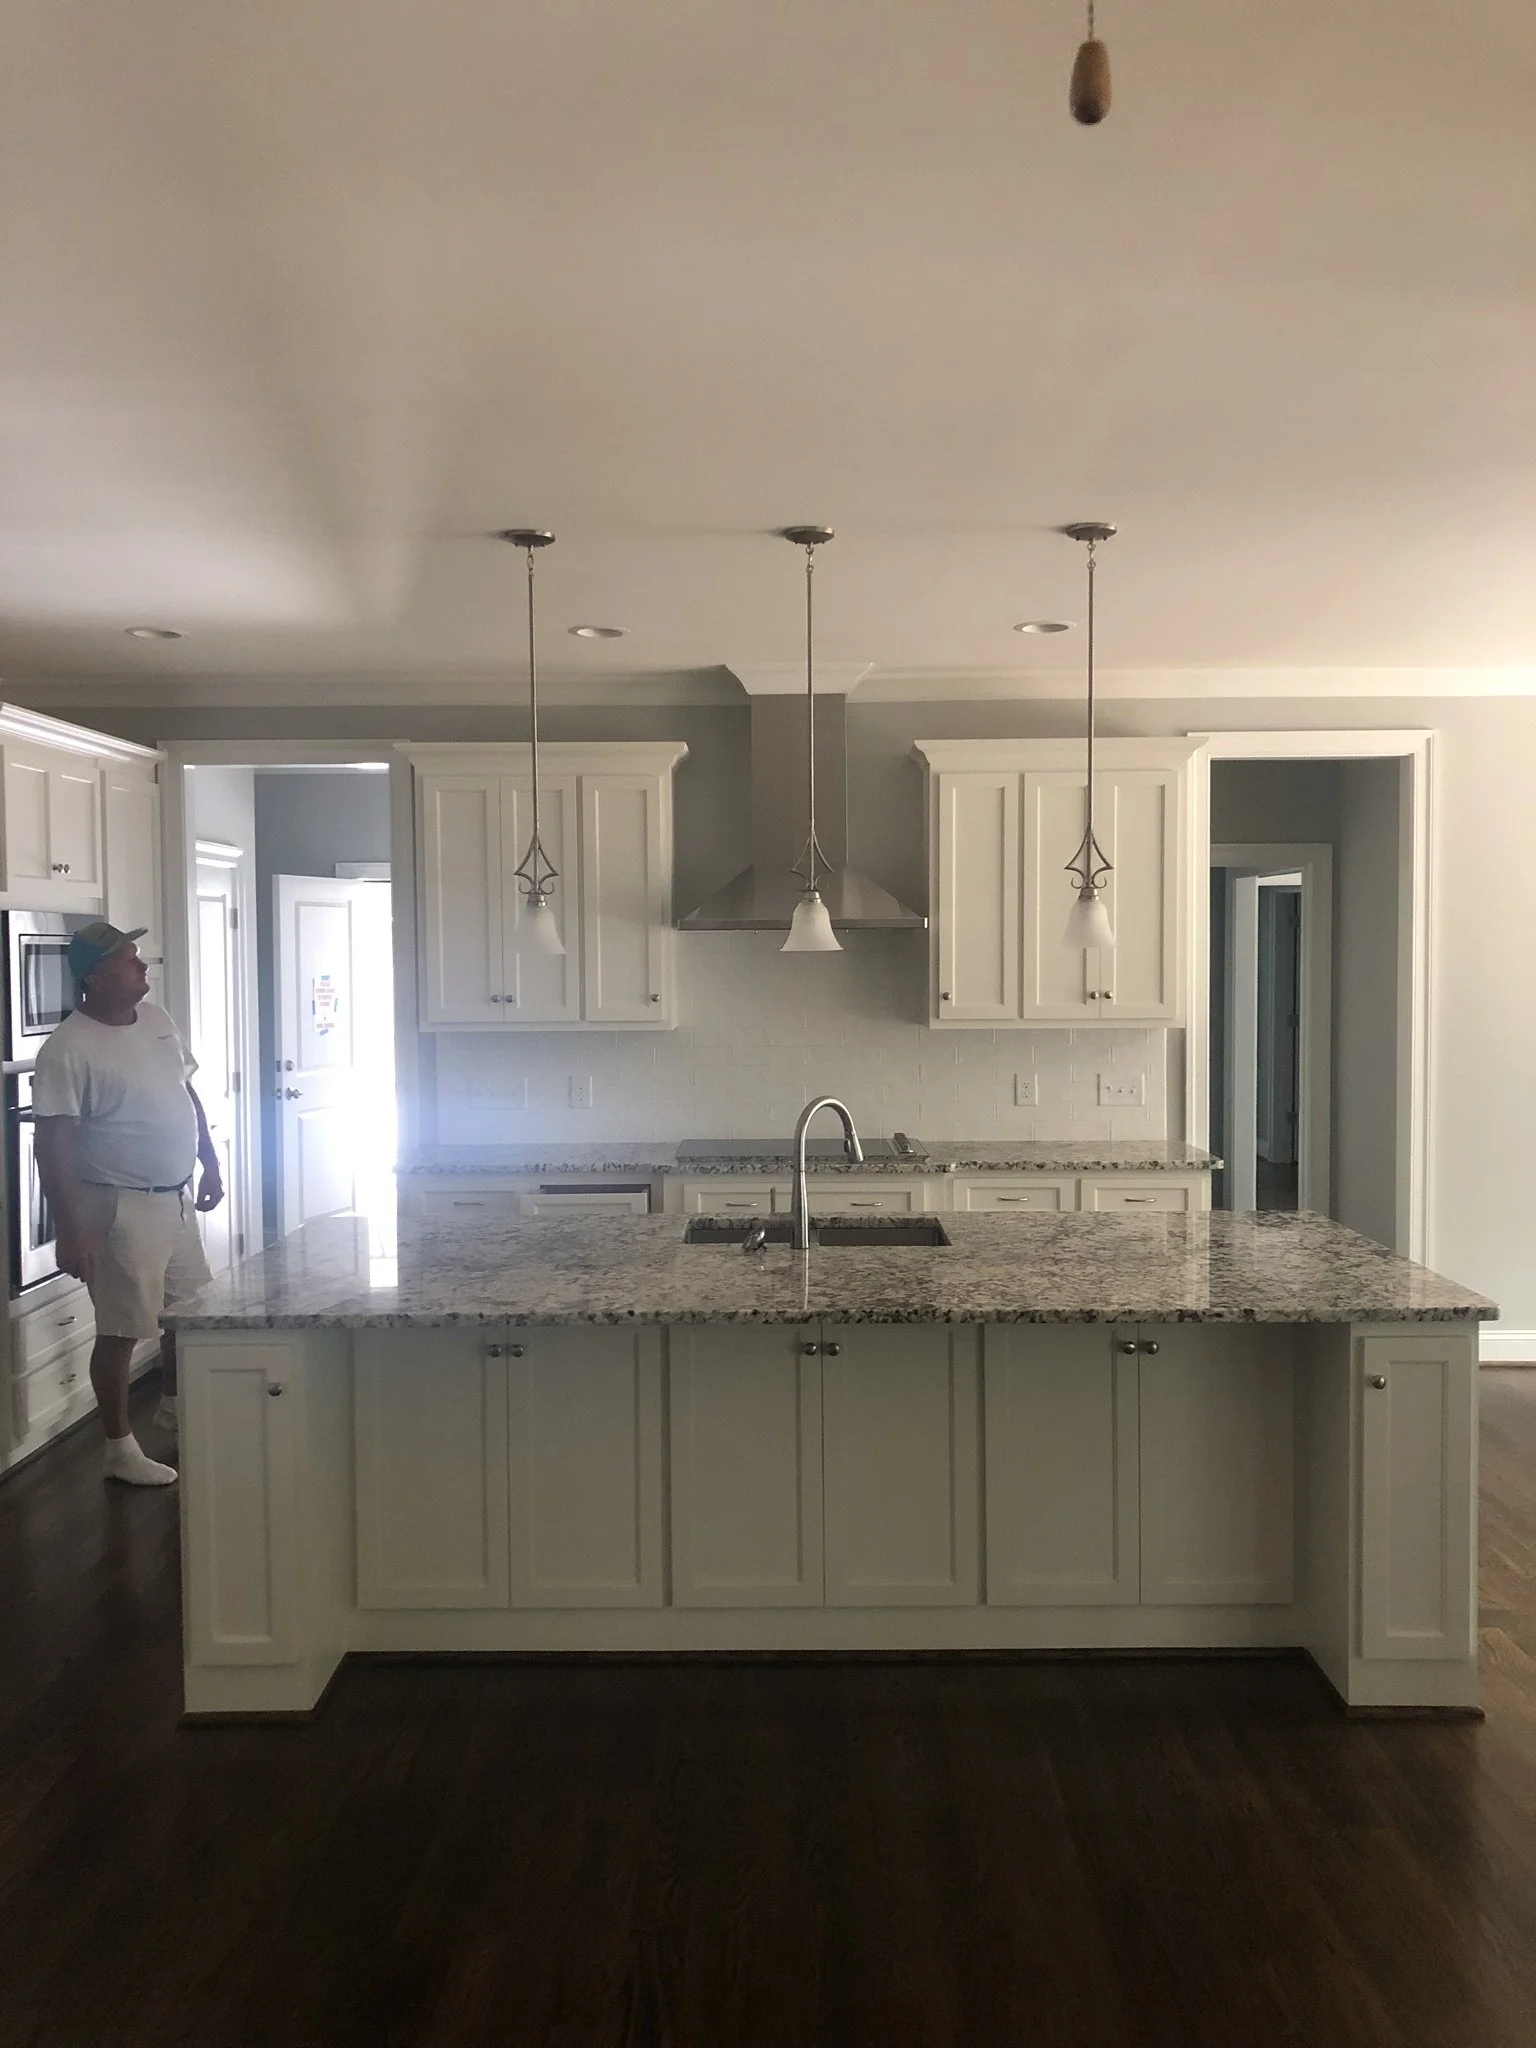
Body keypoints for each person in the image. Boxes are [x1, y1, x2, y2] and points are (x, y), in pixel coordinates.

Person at [33, 921, 223, 1486]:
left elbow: (186, 1092)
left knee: (190, 1316)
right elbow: (52, 1144)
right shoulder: (68, 1048)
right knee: (121, 1330)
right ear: (96, 977)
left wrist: (210, 1160)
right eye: (129, 960)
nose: (142, 967)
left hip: (175, 1196)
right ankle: (118, 1449)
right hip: (119, 1206)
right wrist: (72, 1230)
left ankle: (176, 1408)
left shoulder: (157, 1020)